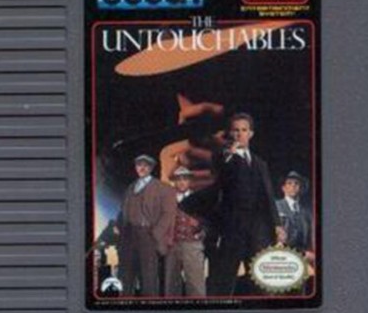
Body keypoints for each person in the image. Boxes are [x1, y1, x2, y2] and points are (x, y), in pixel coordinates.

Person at [210, 113, 285, 295]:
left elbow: (268, 196)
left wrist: (277, 224)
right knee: (224, 281)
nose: (239, 134)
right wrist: (230, 154)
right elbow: (220, 178)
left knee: (259, 282)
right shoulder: (223, 157)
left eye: (244, 130)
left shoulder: (260, 163)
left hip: (258, 231)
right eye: (235, 130)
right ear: (230, 133)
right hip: (232, 229)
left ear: (251, 134)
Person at [117, 154, 176, 296]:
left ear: (151, 168)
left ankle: (149, 306)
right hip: (129, 235)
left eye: (146, 165)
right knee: (126, 276)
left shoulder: (163, 188)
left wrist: (155, 234)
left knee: (148, 277)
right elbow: (123, 211)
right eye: (139, 165)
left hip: (148, 235)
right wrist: (121, 229)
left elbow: (168, 213)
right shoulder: (131, 187)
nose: (142, 168)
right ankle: (123, 306)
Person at [164, 167, 206, 297]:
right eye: (179, 179)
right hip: (172, 245)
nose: (182, 182)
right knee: (171, 285)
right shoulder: (166, 199)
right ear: (174, 181)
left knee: (196, 284)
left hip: (192, 244)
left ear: (190, 181)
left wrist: (201, 227)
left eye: (185, 179)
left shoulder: (199, 199)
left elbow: (209, 218)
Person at [275, 171, 314, 260]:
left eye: (296, 183)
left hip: (303, 258)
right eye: (289, 183)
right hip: (280, 256)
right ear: (283, 188)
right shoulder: (276, 206)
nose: (293, 186)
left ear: (301, 188)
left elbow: (310, 238)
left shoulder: (306, 212)